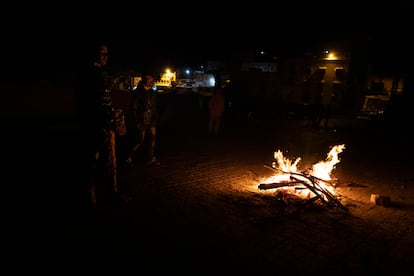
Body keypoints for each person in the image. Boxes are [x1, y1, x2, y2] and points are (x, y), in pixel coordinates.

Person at [75, 41, 127, 209]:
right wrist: (113, 123)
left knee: (91, 162)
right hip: (100, 127)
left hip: (91, 125)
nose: (106, 56)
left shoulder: (87, 74)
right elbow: (98, 105)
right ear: (94, 54)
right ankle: (110, 195)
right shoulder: (96, 75)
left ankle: (91, 199)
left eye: (106, 53)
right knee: (108, 163)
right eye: (102, 53)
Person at [125, 72, 160, 167]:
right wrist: (136, 120)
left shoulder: (152, 92)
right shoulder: (137, 92)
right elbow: (134, 107)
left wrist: (155, 115)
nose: (151, 81)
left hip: (151, 119)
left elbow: (154, 105)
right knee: (139, 140)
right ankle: (128, 156)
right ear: (144, 80)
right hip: (142, 119)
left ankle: (150, 157)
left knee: (152, 139)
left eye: (151, 79)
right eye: (149, 79)